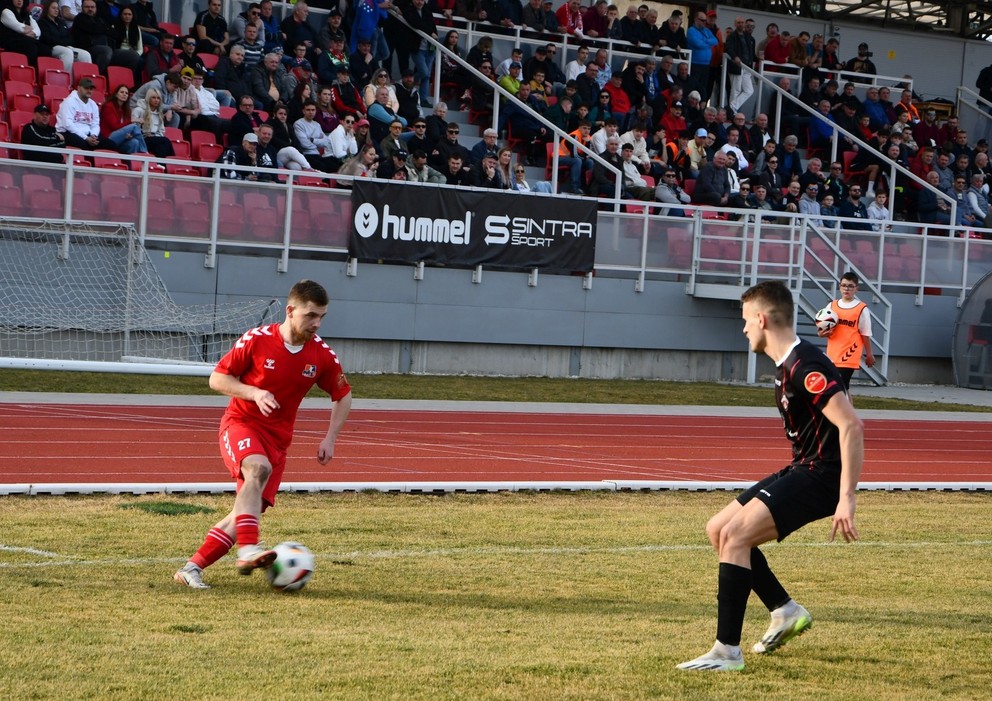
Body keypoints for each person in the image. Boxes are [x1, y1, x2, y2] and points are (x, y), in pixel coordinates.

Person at [677, 279, 863, 672]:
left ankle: (727, 651)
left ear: (761, 319)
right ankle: (785, 610)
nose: (744, 329)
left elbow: (851, 426)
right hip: (803, 465)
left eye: (746, 320)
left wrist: (847, 497)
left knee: (737, 536)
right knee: (718, 529)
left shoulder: (804, 365)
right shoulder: (786, 364)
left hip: (822, 475)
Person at [174, 280, 353, 590]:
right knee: (257, 469)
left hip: (279, 442)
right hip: (241, 424)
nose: (317, 323)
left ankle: (191, 568)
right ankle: (248, 549)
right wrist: (253, 392)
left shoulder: (321, 354)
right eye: (311, 315)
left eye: (322, 316)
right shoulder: (257, 340)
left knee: (246, 510)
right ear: (291, 310)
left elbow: (343, 395)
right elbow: (217, 378)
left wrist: (330, 438)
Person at [818, 272, 876, 391]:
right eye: (844, 285)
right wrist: (821, 333)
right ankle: (847, 409)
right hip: (832, 354)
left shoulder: (861, 309)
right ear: (839, 287)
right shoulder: (832, 306)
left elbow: (865, 334)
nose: (846, 288)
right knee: (840, 388)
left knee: (839, 387)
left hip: (849, 355)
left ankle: (842, 409)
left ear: (856, 289)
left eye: (850, 286)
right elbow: (821, 328)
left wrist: (869, 354)